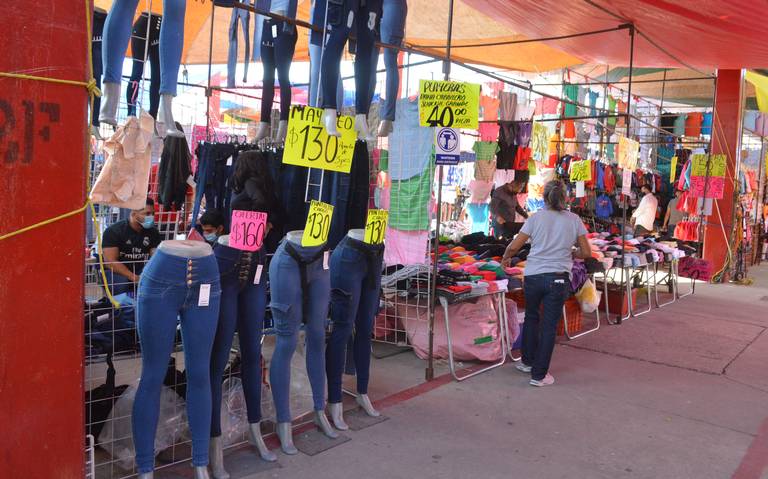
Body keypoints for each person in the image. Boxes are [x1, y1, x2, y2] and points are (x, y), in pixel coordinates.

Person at [501, 180, 592, 387]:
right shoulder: (574, 219)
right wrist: (572, 252)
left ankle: (527, 362)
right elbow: (586, 252)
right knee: (549, 326)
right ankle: (539, 375)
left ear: (544, 198)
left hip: (532, 276)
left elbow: (515, 245)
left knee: (532, 318)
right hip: (557, 278)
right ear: (565, 198)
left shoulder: (536, 218)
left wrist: (506, 257)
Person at [101, 198, 161, 294]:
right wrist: (134, 278)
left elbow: (155, 255)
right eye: (147, 214)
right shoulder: (114, 231)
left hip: (140, 269)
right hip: (116, 271)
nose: (151, 217)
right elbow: (110, 262)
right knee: (121, 285)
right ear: (133, 214)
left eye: (153, 214)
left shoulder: (153, 232)